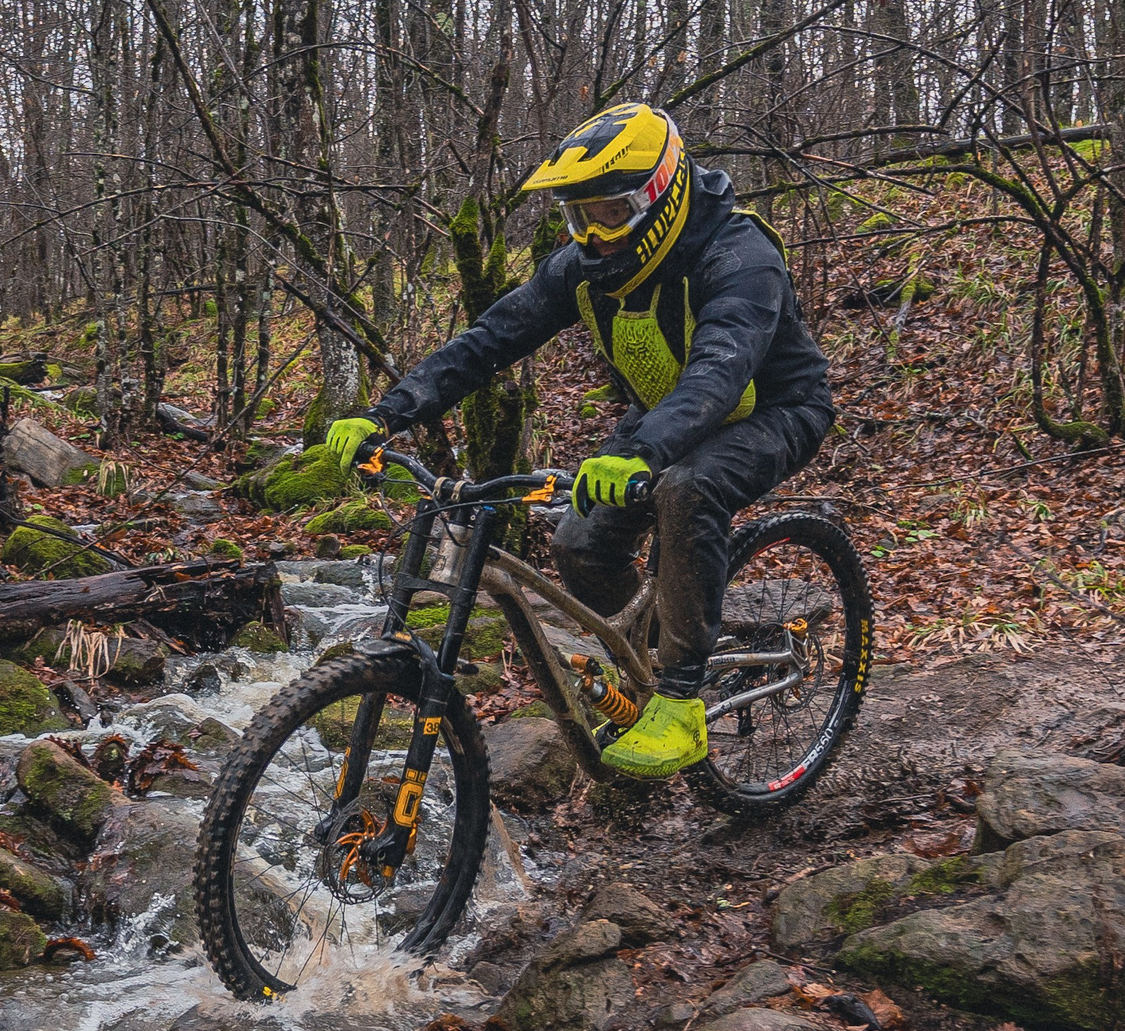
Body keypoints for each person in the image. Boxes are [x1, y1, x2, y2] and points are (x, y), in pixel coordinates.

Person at [325, 101, 834, 779]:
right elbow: (489, 340)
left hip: (774, 409)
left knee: (690, 487)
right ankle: (651, 657)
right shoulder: (583, 267)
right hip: (663, 415)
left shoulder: (741, 257)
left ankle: (681, 699)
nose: (595, 235)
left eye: (611, 214)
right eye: (580, 217)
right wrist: (389, 413)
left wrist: (640, 452)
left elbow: (719, 371)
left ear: (659, 196)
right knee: (578, 543)